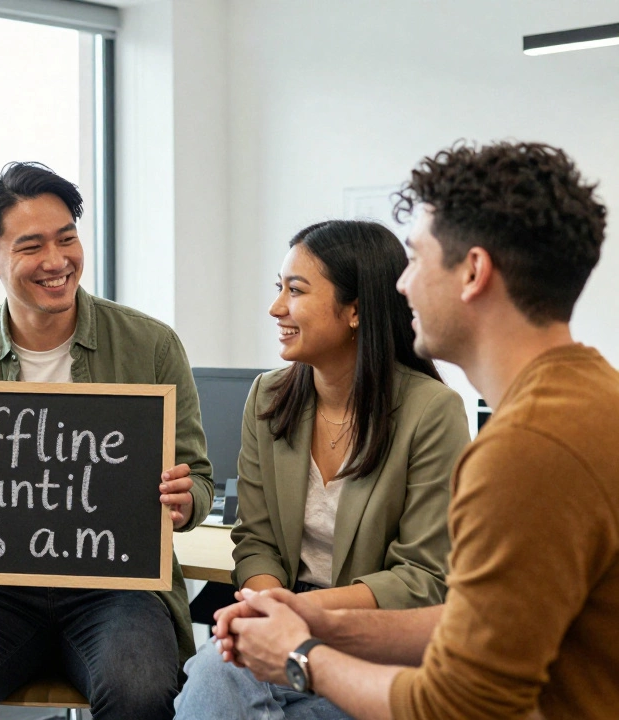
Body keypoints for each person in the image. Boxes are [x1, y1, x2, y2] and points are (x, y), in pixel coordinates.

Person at [224, 141, 618, 719]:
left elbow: (458, 705)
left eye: (416, 258)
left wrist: (301, 654)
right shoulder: (586, 400)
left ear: (474, 272)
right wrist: (315, 619)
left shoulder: (526, 451)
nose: (402, 285)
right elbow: (472, 624)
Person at [0, 162, 215, 719]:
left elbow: (200, 480)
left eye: (67, 238)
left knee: (139, 690)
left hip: (117, 586)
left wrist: (186, 502)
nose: (57, 261)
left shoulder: (150, 345)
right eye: (32, 245)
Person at [174, 220, 468, 719]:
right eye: (279, 288)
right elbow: (257, 540)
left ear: (355, 310)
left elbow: (423, 577)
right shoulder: (269, 397)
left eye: (296, 290)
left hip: (377, 638)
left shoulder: (432, 411)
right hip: (283, 613)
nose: (276, 308)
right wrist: (271, 611)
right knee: (211, 673)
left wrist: (299, 616)